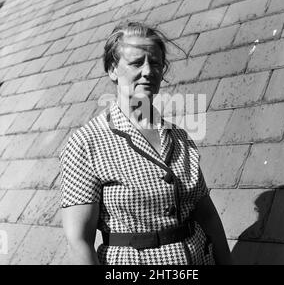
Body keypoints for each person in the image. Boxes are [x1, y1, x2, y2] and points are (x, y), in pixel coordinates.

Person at [59, 21, 232, 265]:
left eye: (156, 62)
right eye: (136, 62)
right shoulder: (87, 142)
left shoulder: (179, 137)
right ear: (112, 69)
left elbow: (207, 215)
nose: (149, 71)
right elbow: (78, 242)